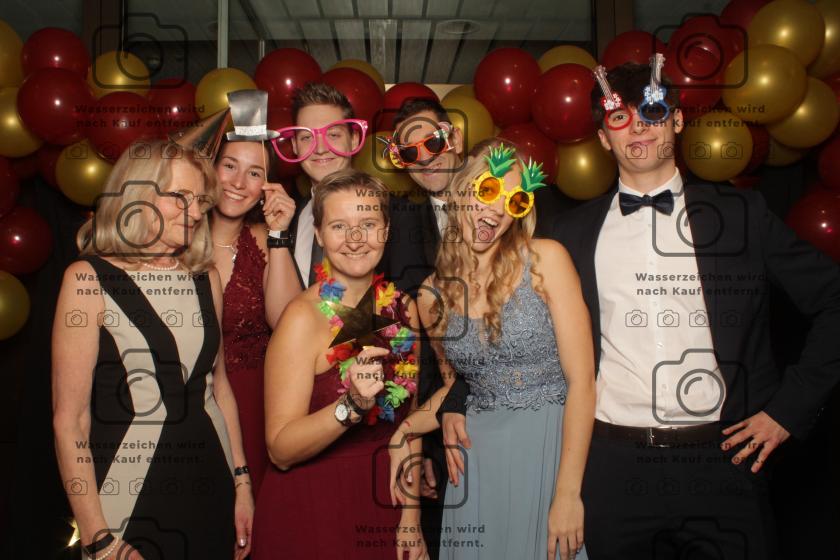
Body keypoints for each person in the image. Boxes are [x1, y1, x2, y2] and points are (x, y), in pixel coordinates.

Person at [447, 59, 840, 559]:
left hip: (723, 462)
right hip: (612, 466)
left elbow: (833, 299)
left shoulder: (740, 215)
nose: (637, 128)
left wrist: (788, 410)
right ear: (602, 138)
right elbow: (506, 328)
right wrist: (456, 399)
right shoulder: (569, 236)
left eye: (652, 113)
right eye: (620, 118)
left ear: (677, 121)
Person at [388, 138, 595, 560]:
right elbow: (457, 387)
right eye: (488, 190)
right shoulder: (430, 295)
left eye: (513, 201)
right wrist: (406, 429)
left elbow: (583, 382)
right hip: (476, 463)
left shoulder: (545, 261)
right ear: (460, 190)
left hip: (548, 452)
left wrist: (568, 493)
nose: (497, 209)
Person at [53, 138, 254, 559]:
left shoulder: (206, 279)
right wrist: (98, 538)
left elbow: (218, 389)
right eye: (180, 196)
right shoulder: (88, 279)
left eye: (200, 200)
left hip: (211, 484)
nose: (195, 212)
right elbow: (70, 421)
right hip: (127, 496)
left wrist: (241, 484)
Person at [251, 169, 427, 560]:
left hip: (385, 504)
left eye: (368, 224)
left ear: (386, 231)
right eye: (339, 226)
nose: (355, 238)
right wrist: (352, 406)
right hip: (314, 509)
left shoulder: (403, 308)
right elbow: (279, 449)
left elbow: (410, 423)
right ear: (318, 234)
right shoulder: (301, 319)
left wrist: (411, 517)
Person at [210, 90, 301, 497]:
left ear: (267, 185)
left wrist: (279, 234)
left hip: (254, 402)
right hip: (188, 402)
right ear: (210, 169)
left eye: (254, 173)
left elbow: (285, 322)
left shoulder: (264, 241)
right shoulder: (176, 238)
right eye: (229, 166)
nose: (237, 183)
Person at [271, 82, 367, 288]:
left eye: (333, 135)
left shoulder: (392, 212)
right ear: (295, 146)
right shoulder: (290, 218)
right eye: (307, 137)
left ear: (354, 139)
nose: (320, 148)